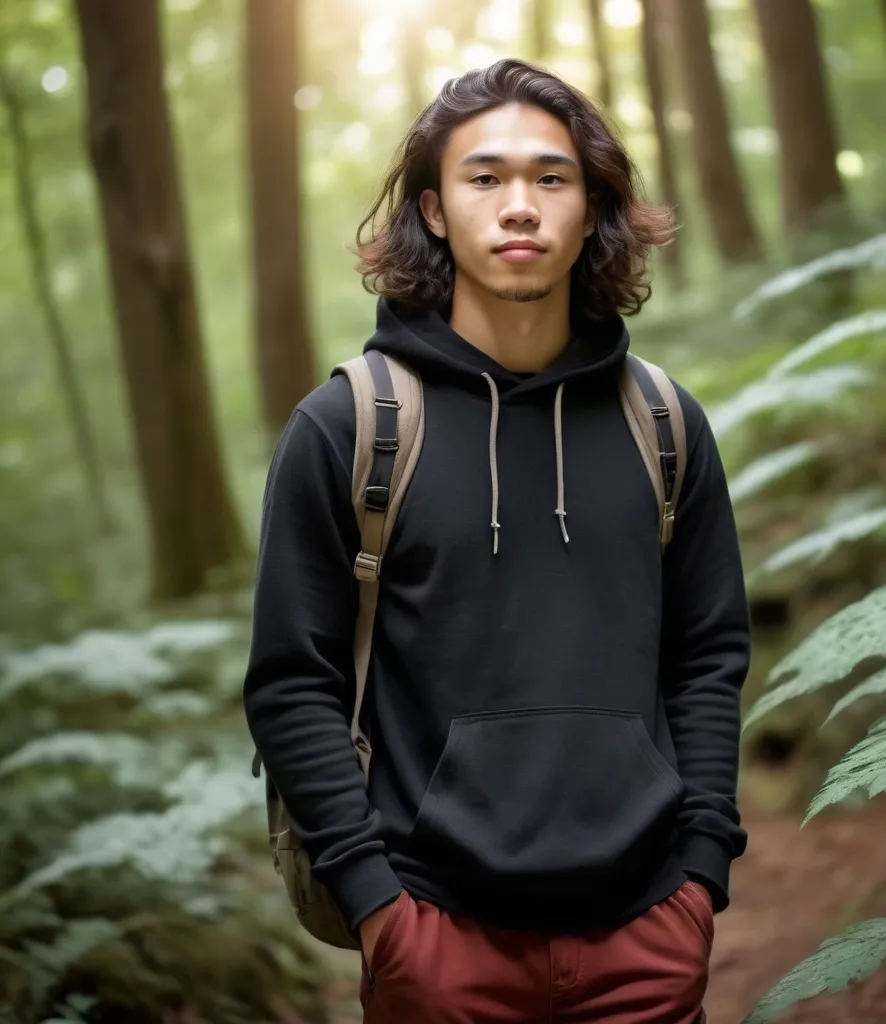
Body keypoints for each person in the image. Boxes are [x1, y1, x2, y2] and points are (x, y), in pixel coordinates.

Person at [243, 58, 750, 1024]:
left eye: (550, 178)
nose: (519, 205)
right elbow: (290, 682)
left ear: (591, 203)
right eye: (485, 177)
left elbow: (709, 657)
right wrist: (376, 908)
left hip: (646, 936)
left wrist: (700, 875)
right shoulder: (349, 429)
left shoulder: (665, 424)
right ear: (434, 210)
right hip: (438, 944)